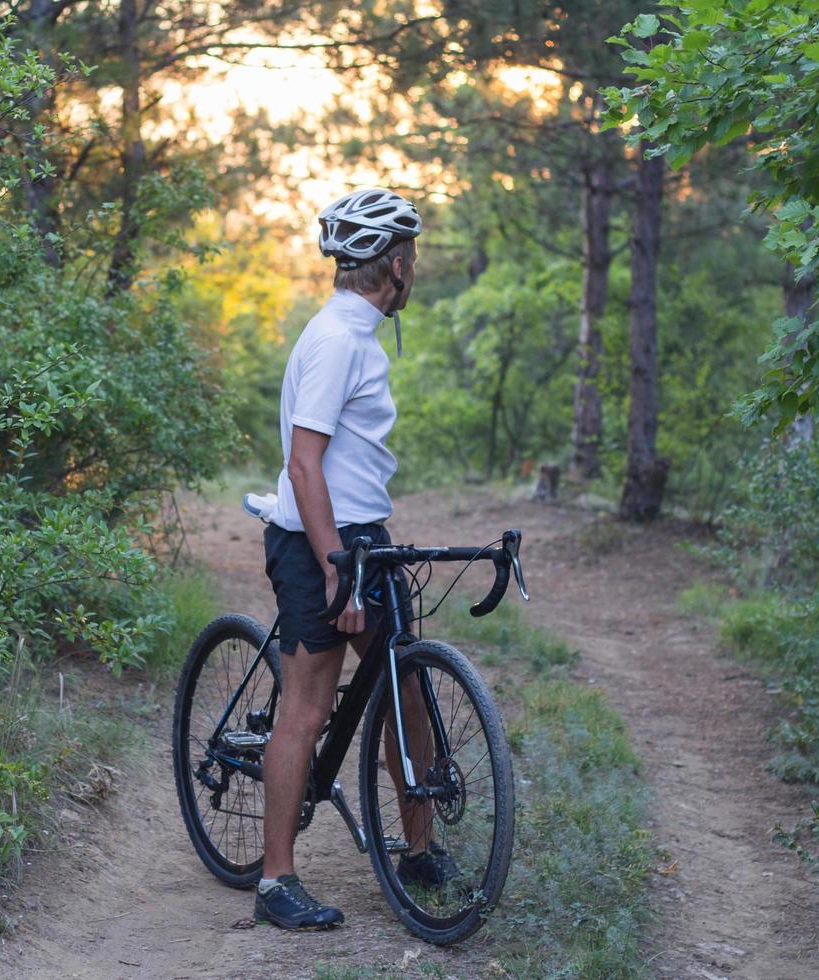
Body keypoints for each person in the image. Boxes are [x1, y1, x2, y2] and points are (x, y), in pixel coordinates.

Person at [254, 188, 456, 930]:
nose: (416, 271)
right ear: (396, 266)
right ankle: (276, 881)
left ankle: (420, 851)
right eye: (415, 261)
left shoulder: (356, 332)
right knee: (306, 708)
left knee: (406, 689)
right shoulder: (339, 341)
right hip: (322, 541)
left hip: (362, 534)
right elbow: (305, 465)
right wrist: (335, 562)